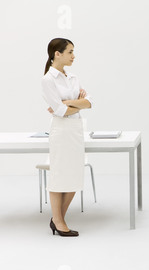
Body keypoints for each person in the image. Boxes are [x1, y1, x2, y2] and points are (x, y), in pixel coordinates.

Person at [41, 38, 92, 236]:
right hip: (61, 131)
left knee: (74, 176)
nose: (74, 56)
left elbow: (89, 103)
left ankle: (56, 219)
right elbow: (61, 112)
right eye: (70, 52)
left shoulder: (72, 77)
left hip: (76, 130)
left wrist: (72, 103)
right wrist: (77, 103)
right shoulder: (48, 79)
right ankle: (59, 222)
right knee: (59, 175)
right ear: (57, 54)